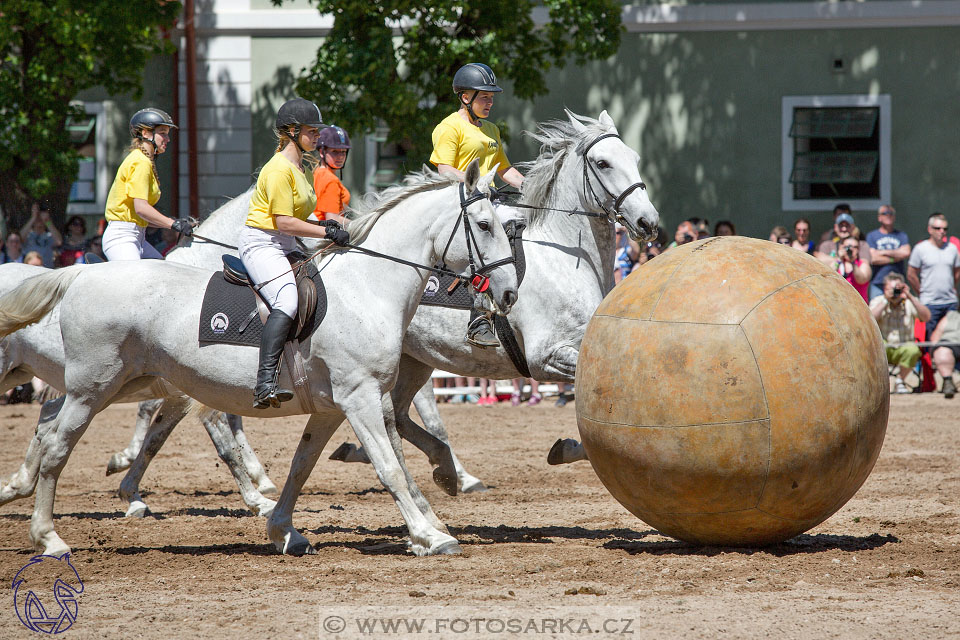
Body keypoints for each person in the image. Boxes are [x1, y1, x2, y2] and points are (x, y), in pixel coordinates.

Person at [241, 97, 350, 409]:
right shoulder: (277, 170)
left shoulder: (301, 168)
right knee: (287, 300)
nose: (317, 136)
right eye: (311, 131)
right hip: (262, 243)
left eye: (317, 131)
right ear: (291, 131)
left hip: (285, 244)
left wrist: (328, 223)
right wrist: (326, 231)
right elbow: (284, 222)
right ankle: (264, 382)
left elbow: (302, 217)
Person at [429, 63, 524, 349]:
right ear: (465, 97)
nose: (490, 102)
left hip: (487, 201)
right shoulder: (449, 127)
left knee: (524, 222)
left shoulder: (492, 129)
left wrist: (530, 187)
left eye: (492, 98)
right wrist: (478, 184)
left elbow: (505, 169)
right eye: (484, 97)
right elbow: (444, 169)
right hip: (461, 204)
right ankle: (478, 318)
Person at [102, 108, 196, 261]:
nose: (168, 139)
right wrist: (173, 224)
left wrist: (175, 224)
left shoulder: (146, 161)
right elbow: (141, 208)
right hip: (122, 238)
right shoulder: (141, 162)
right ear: (145, 133)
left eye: (167, 133)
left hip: (138, 237)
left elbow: (143, 217)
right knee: (137, 280)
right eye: (163, 133)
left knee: (165, 274)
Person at [870, 273, 930, 394]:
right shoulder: (878, 301)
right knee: (872, 348)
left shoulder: (909, 302)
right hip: (885, 347)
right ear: (884, 289)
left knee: (913, 349)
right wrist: (886, 301)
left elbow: (926, 317)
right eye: (891, 289)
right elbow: (869, 319)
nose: (895, 292)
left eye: (897, 289)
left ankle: (900, 381)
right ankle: (879, 385)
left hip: (904, 347)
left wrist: (910, 296)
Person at [907, 213, 960, 340]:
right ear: (930, 229)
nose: (942, 232)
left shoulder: (952, 249)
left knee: (953, 339)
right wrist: (922, 292)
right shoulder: (920, 249)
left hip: (950, 302)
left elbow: (957, 272)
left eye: (945, 229)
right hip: (930, 303)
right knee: (931, 342)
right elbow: (911, 274)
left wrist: (951, 286)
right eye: (938, 228)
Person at [866, 205, 911, 302]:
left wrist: (882, 252)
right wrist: (894, 257)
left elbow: (906, 252)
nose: (888, 216)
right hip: (878, 282)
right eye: (885, 213)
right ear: (879, 217)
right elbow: (873, 258)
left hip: (898, 282)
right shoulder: (872, 236)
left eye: (891, 214)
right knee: (876, 313)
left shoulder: (901, 235)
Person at [309, 125, 352, 226]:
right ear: (322, 152)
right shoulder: (329, 179)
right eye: (335, 151)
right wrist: (360, 224)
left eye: (343, 152)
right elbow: (332, 219)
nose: (340, 156)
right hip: (323, 235)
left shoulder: (318, 172)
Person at [20, 203, 62, 268]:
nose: (39, 220)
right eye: (38, 218)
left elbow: (59, 241)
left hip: (46, 270)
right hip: (29, 270)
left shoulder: (50, 236)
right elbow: (19, 238)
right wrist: (33, 218)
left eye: (40, 218)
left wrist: (47, 221)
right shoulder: (28, 236)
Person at [929, 309, 960, 398]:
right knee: (942, 352)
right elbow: (937, 334)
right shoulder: (951, 315)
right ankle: (948, 382)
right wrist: (934, 350)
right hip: (950, 344)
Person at [832, 236, 872, 302]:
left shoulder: (862, 264)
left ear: (858, 250)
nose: (851, 249)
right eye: (847, 246)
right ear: (841, 247)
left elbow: (861, 280)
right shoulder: (837, 263)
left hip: (858, 305)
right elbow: (827, 275)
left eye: (855, 247)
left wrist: (853, 263)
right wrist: (839, 259)